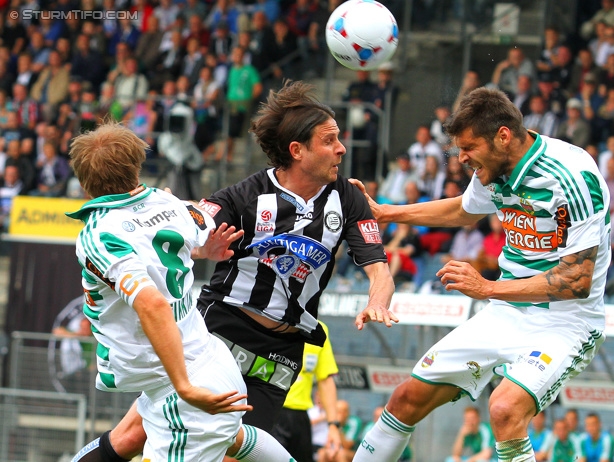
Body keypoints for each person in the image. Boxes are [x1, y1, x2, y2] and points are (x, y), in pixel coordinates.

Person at [70, 80, 397, 461]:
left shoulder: (349, 197)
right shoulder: (244, 196)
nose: (341, 148)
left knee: (230, 445)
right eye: (329, 140)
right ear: (297, 150)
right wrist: (200, 245)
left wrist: (378, 301)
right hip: (221, 330)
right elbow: (187, 225)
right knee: (133, 437)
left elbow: (380, 270)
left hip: (280, 353)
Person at [350, 87, 611, 462]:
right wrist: (388, 213)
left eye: (469, 148)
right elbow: (464, 211)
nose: (461, 159)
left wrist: (487, 287)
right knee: (405, 398)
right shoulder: (495, 170)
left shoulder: (570, 177)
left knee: (504, 410)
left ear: (503, 136)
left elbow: (576, 281)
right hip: (506, 311)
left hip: (566, 321)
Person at [66, 122, 297, 462]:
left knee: (212, 433)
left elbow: (154, 305)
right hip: (206, 360)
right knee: (225, 437)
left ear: (85, 183)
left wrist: (184, 387)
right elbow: (194, 234)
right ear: (137, 165)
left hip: (181, 384)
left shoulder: (99, 235)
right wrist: (206, 250)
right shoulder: (168, 202)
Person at [272, 320, 341, 462]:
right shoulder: (271, 318)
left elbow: (326, 379)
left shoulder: (319, 329)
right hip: (271, 410)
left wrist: (333, 426)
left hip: (300, 417)